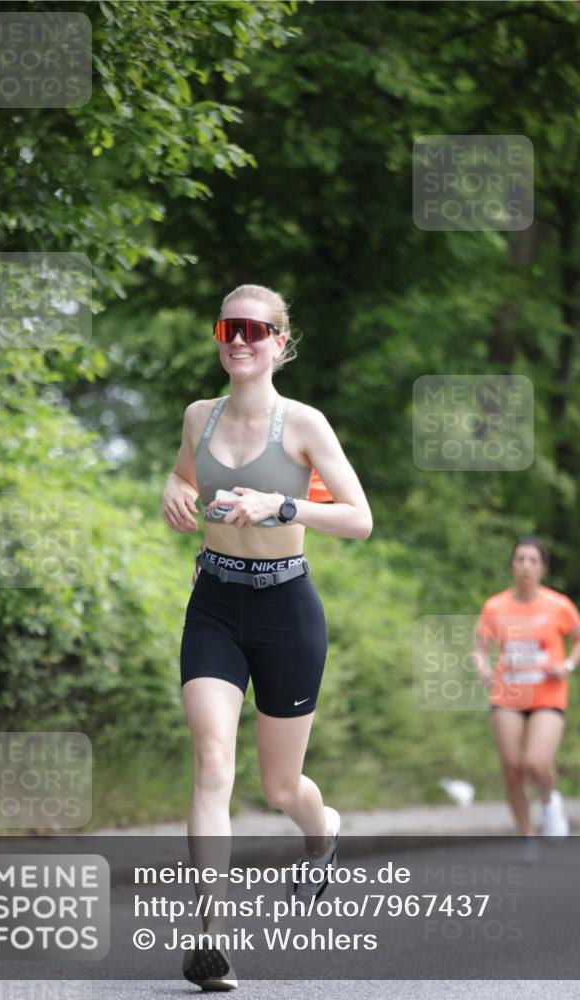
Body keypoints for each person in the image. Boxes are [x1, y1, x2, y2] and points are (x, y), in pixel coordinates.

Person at [161, 284, 372, 990]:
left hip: (287, 610)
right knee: (212, 762)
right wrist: (173, 491)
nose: (241, 340)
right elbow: (183, 476)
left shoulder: (304, 424)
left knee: (281, 786)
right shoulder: (198, 416)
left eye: (256, 330)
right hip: (215, 605)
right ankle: (209, 938)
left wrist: (284, 505)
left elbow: (359, 518)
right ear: (219, 337)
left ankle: (322, 830)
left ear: (280, 342)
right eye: (230, 328)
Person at [472, 536, 580, 838]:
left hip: (548, 695)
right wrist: (483, 669)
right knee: (512, 769)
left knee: (536, 763)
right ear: (512, 565)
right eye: (520, 559)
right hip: (508, 694)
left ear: (543, 568)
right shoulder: (495, 606)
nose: (526, 566)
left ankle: (550, 802)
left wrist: (567, 665)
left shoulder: (558, 605)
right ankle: (526, 838)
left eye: (533, 561)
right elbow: (479, 649)